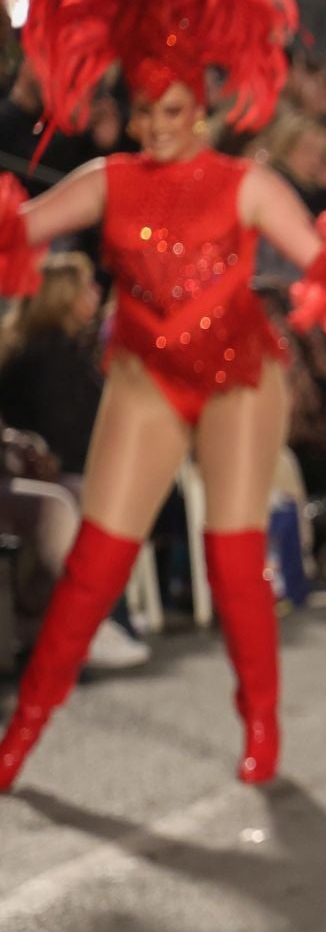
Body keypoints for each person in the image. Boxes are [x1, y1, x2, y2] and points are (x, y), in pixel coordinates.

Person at [0, 0, 326, 790]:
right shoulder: (110, 177)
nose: (157, 129)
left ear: (200, 108)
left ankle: (261, 724)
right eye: (144, 112)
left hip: (240, 376)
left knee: (233, 552)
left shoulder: (245, 183)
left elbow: (322, 266)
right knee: (95, 562)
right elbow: (23, 228)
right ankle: (23, 735)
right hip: (145, 373)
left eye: (173, 112)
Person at [0, 253, 148, 671]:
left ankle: (95, 620)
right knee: (90, 501)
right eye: (87, 286)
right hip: (52, 469)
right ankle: (89, 624)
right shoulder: (47, 355)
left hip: (40, 469)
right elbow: (66, 433)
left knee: (99, 496)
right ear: (63, 296)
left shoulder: (71, 347)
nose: (97, 293)